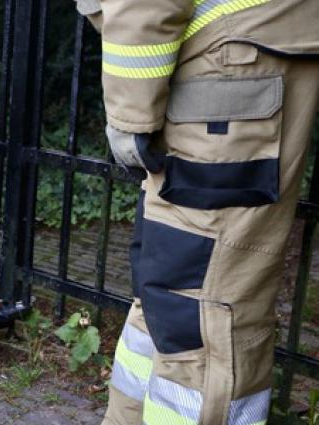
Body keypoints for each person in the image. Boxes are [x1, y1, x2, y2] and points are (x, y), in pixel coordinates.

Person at [74, 0, 319, 423]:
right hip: (232, 61)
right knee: (176, 295)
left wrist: (131, 115)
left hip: (231, 68)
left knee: (198, 306)